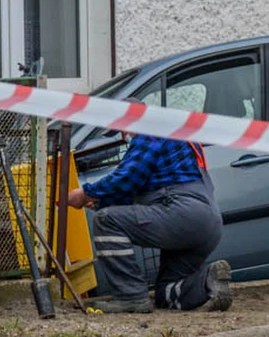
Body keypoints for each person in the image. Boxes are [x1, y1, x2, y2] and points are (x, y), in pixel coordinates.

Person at [68, 131, 231, 314]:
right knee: (165, 293)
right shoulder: (178, 137)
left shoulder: (149, 132)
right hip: (208, 223)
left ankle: (131, 297)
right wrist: (100, 201)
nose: (124, 137)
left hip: (181, 213)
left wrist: (84, 194)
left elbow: (128, 177)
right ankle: (209, 281)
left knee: (106, 220)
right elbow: (143, 185)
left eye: (123, 131)